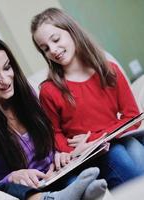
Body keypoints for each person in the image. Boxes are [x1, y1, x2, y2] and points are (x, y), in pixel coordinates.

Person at [0, 33, 107, 199]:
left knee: (114, 158)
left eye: (7, 67)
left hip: (57, 174)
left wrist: (61, 154)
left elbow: (49, 136)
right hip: (24, 194)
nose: (5, 80)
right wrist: (12, 178)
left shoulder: (24, 92)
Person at [30, 7, 144, 188]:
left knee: (136, 149)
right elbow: (55, 133)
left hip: (114, 141)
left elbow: (133, 117)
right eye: (45, 49)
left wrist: (97, 138)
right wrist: (71, 151)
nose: (53, 50)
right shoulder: (49, 90)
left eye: (56, 39)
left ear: (72, 31)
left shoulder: (110, 71)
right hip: (87, 156)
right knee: (118, 154)